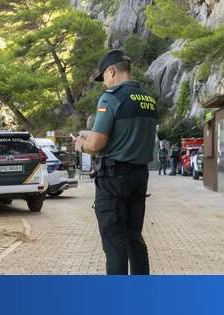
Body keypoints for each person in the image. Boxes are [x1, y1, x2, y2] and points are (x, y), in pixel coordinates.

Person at [74, 49, 157, 275]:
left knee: (114, 244)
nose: (104, 84)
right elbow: (128, 134)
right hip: (139, 177)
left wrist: (82, 144)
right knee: (134, 238)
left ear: (112, 71)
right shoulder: (148, 99)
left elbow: (97, 143)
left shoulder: (111, 97)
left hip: (113, 180)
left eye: (104, 78)